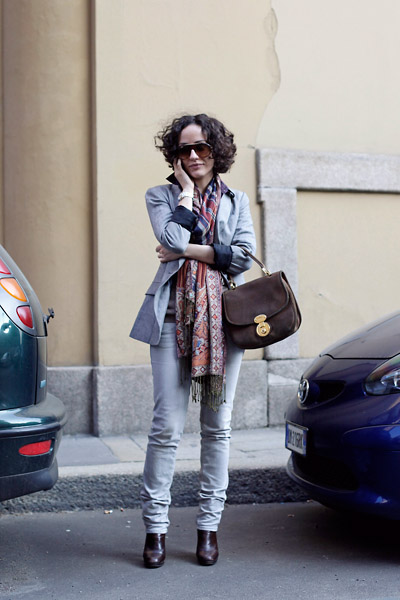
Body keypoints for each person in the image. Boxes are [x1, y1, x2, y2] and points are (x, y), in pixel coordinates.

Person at [130, 113, 256, 568]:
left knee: (217, 427)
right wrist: (185, 194)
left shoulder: (236, 200)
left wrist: (188, 251)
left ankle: (208, 528)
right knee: (166, 428)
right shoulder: (160, 195)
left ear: (216, 151)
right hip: (169, 321)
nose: (195, 155)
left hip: (222, 325)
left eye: (202, 147)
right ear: (175, 156)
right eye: (185, 149)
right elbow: (170, 235)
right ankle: (155, 529)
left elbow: (242, 258)